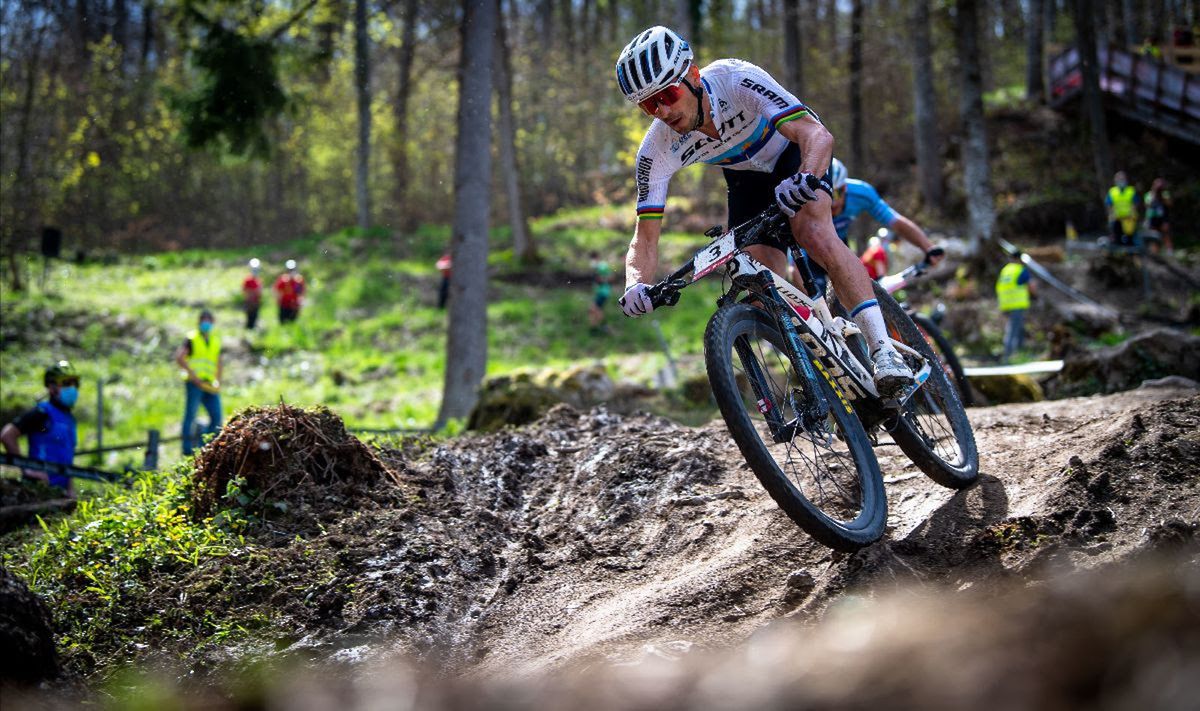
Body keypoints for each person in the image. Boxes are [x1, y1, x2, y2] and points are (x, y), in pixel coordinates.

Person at [614, 26, 913, 394]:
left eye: (668, 94)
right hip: (746, 180)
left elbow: (817, 135)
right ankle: (819, 367)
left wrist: (806, 177)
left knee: (814, 234)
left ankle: (883, 351)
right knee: (762, 285)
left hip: (795, 154)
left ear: (692, 75)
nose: (662, 111)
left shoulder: (735, 79)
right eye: (649, 105)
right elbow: (644, 237)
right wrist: (636, 284)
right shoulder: (655, 150)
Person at [0, 361, 80, 497]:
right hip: (38, 491)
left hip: (60, 494)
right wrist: (26, 470)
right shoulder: (41, 413)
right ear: (51, 387)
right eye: (66, 383)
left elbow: (67, 457)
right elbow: (7, 435)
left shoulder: (70, 419)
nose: (72, 388)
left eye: (75, 384)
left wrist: (71, 489)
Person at [175, 310, 223, 456]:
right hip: (194, 383)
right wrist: (193, 375)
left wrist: (218, 381)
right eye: (204, 320)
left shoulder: (215, 341)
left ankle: (204, 447)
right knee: (190, 415)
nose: (206, 323)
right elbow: (180, 357)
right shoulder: (192, 338)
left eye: (209, 320)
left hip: (209, 384)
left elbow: (219, 362)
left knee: (216, 417)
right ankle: (187, 449)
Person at [995, 252, 1036, 363]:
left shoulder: (1005, 270)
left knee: (1019, 328)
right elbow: (1031, 285)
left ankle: (1019, 352)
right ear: (1019, 259)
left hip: (1006, 304)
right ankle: (1008, 357)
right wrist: (1035, 295)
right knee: (1013, 329)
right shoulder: (1020, 270)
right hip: (1017, 304)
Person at [1105, 171, 1140, 247]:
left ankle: (1131, 256)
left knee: (1130, 240)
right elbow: (1109, 205)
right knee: (1117, 239)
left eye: (1122, 178)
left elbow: (1135, 203)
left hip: (1129, 219)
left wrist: (1132, 214)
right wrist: (1111, 216)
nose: (1121, 180)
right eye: (1119, 179)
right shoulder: (1112, 191)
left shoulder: (1131, 190)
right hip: (1117, 219)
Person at [1143, 178, 1173, 254]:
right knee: (1154, 236)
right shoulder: (1149, 194)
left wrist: (1161, 196)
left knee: (1166, 233)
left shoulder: (1165, 194)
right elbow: (1147, 204)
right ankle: (1155, 253)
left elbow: (1169, 204)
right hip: (1152, 218)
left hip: (1163, 217)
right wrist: (1154, 194)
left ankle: (1169, 251)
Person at [274, 259, 306, 323]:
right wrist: (278, 302)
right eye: (290, 270)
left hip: (294, 306)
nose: (291, 271)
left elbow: (301, 293)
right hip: (284, 305)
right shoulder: (283, 280)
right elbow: (278, 292)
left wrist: (300, 303)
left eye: (293, 269)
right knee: (283, 322)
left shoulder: (299, 280)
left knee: (292, 322)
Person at [588, 251, 613, 334]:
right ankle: (595, 327)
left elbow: (609, 277)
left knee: (594, 309)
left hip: (603, 292)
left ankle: (601, 327)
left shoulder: (602, 266)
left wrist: (601, 280)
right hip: (600, 292)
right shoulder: (598, 266)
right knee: (594, 310)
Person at [242, 258, 264, 329]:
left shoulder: (259, 280)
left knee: (255, 317)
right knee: (250, 318)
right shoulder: (248, 280)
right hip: (250, 302)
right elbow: (245, 291)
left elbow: (260, 291)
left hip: (256, 302)